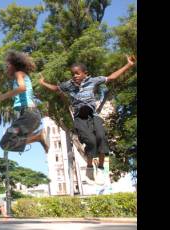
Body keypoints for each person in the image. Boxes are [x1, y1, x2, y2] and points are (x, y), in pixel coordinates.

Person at [38, 55, 136, 184]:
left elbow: (112, 77)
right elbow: (56, 88)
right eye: (73, 74)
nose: (75, 76)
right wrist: (42, 83)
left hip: (93, 115)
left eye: (77, 73)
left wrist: (128, 65)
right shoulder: (69, 85)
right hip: (79, 118)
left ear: (85, 73)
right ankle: (89, 167)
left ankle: (100, 168)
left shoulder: (94, 81)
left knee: (101, 137)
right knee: (91, 141)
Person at [0, 51, 49, 153]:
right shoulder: (18, 79)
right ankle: (36, 137)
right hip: (29, 117)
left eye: (7, 66)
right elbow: (20, 92)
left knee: (5, 142)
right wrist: (1, 95)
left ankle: (38, 136)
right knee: (7, 140)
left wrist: (3, 96)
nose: (6, 69)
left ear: (14, 66)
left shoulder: (19, 74)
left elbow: (22, 88)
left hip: (29, 114)